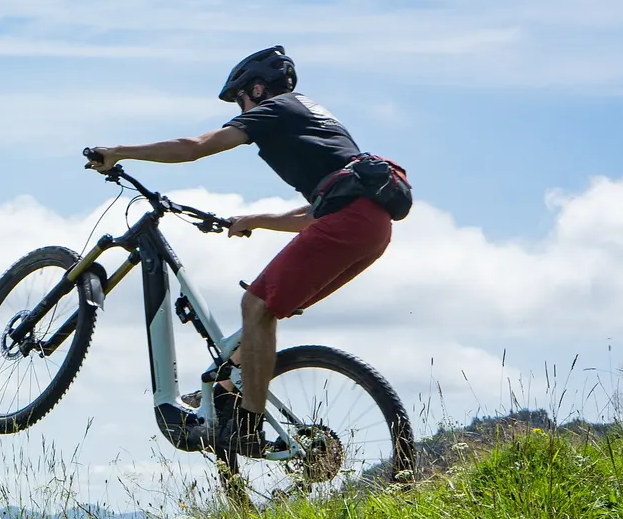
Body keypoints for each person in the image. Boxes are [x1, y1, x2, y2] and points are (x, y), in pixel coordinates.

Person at [83, 46, 394, 451]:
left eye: (240, 98)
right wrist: (254, 220)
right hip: (371, 229)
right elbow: (317, 214)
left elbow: (193, 146)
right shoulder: (315, 117)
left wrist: (119, 152)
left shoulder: (275, 109)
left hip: (350, 222)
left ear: (258, 89)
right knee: (265, 314)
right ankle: (228, 386)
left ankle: (247, 425)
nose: (240, 108)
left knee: (256, 306)